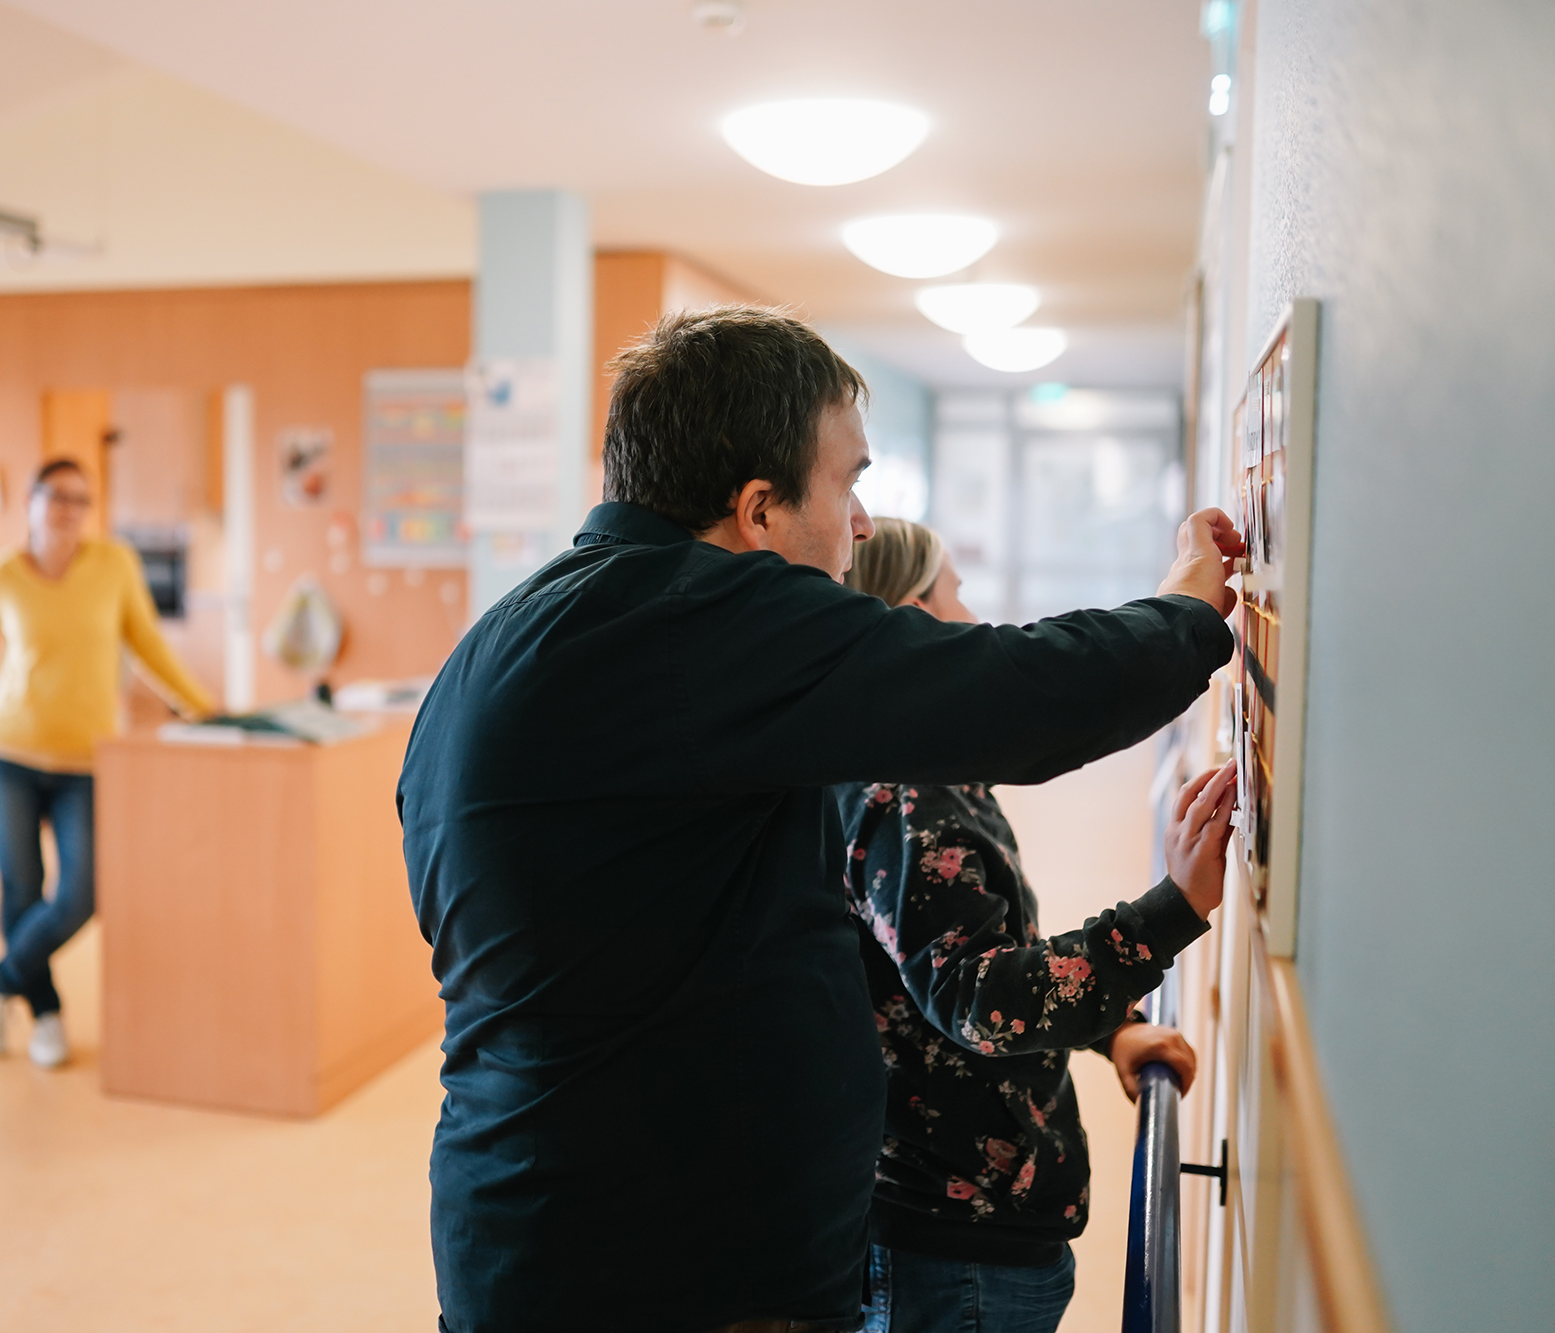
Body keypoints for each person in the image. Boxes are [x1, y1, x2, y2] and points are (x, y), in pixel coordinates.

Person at [398, 306, 1243, 1333]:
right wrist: (1187, 612)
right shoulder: (698, 619)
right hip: (654, 1274)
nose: (858, 525)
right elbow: (1006, 696)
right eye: (847, 483)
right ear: (757, 511)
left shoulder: (514, 634)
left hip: (550, 1224)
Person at [838, 520, 1235, 1333]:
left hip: (968, 1236)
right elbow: (983, 996)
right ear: (916, 614)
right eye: (955, 590)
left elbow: (963, 951)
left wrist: (1113, 1029)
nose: (973, 612)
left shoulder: (927, 766)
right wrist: (1173, 910)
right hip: (954, 1253)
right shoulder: (912, 788)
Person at [0, 458, 215, 1068]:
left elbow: (147, 641)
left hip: (86, 760)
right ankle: (46, 1016)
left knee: (82, 894)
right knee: (22, 889)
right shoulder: (1, 574)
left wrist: (202, 706)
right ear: (31, 501)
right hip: (5, 755)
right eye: (56, 496)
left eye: (80, 499)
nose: (68, 509)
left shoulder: (112, 565)